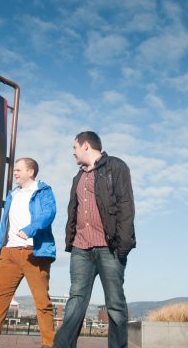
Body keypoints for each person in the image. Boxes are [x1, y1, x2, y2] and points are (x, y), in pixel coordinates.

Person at [54, 131, 136, 348]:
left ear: (86, 146)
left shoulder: (116, 167)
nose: (73, 152)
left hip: (109, 247)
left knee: (115, 304)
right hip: (81, 248)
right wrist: (70, 241)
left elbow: (126, 206)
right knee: (75, 300)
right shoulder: (78, 177)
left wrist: (123, 245)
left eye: (75, 147)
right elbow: (74, 211)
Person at [0, 157, 57, 348]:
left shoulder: (43, 192)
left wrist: (31, 229)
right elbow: (5, 224)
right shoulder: (12, 194)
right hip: (10, 253)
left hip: (35, 252)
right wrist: (2, 249)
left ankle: (49, 344)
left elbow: (49, 214)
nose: (15, 173)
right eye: (15, 170)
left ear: (30, 172)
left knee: (42, 301)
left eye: (19, 170)